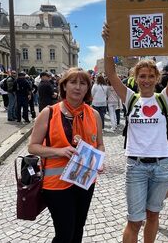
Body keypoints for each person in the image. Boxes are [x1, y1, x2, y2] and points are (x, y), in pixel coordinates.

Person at [103, 13, 168, 243]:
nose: (146, 80)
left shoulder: (164, 99)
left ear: (157, 78)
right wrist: (108, 45)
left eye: (150, 76)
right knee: (135, 220)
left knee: (153, 215)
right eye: (142, 76)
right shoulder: (130, 98)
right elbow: (111, 74)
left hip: (162, 167)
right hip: (137, 167)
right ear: (136, 77)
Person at [27, 67, 105, 243]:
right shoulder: (49, 113)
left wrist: (100, 159)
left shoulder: (94, 115)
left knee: (78, 229)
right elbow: (32, 147)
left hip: (85, 180)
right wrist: (58, 151)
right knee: (64, 234)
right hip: (56, 184)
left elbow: (99, 143)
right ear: (64, 86)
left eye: (83, 83)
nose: (78, 87)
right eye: (73, 82)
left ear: (88, 88)